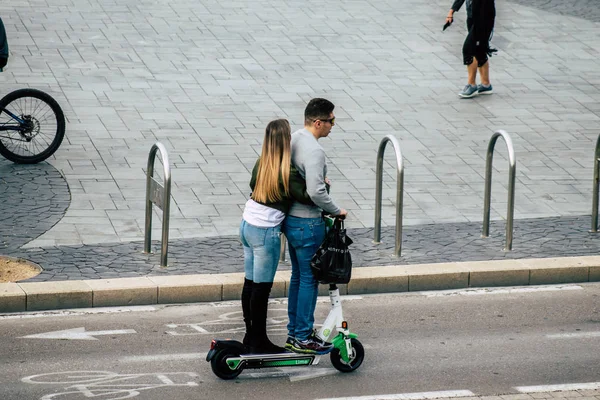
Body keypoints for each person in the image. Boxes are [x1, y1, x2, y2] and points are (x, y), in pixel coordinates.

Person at [240, 118, 314, 354]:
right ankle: (259, 341)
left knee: (250, 284)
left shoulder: (261, 163)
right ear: (286, 141)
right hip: (264, 233)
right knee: (262, 289)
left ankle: (250, 335)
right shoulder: (288, 172)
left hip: (246, 225)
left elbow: (252, 183)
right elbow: (307, 195)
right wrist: (322, 182)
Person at [283, 98, 348, 355]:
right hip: (308, 223)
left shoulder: (296, 138)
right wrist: (336, 209)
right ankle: (302, 336)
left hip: (291, 220)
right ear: (318, 122)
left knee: (298, 277)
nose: (333, 125)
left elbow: (302, 176)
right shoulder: (315, 151)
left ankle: (293, 331)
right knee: (309, 279)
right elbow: (315, 192)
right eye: (331, 121)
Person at [446, 0, 496, 98]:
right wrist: (451, 11)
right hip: (472, 17)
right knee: (480, 49)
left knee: (468, 49)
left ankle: (471, 85)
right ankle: (486, 84)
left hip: (483, 20)